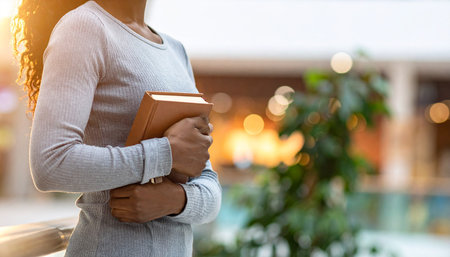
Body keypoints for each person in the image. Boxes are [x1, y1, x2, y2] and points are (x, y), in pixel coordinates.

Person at [12, 0, 222, 256]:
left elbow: (210, 190)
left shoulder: (176, 51)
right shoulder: (85, 27)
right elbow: (51, 164)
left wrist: (174, 200)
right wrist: (165, 154)